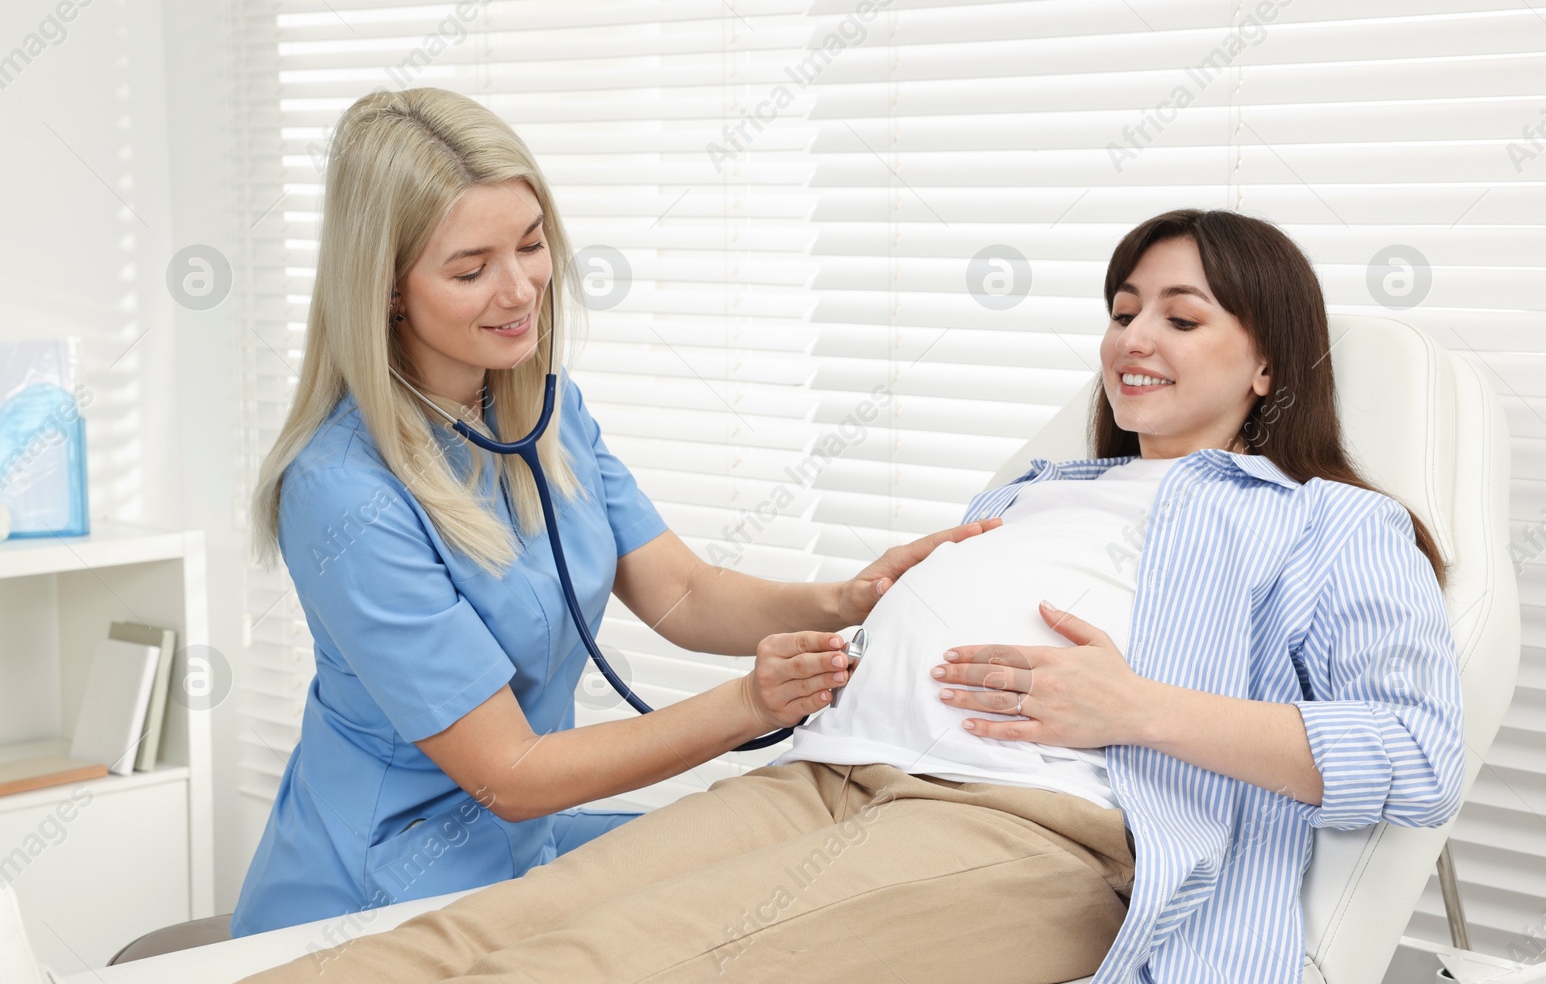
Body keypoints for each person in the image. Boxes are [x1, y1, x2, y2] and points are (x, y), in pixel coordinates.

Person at [3, 208, 1459, 984]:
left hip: (1033, 823)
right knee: (487, 932)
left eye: (1182, 315)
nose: (1134, 334)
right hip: (819, 776)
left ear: (1272, 362)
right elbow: (703, 598)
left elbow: (1412, 752)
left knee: (597, 981)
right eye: (1124, 304)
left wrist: (1134, 706)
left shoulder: (1333, 523)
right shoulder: (1043, 486)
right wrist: (856, 612)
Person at [227, 87, 999, 937]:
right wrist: (751, 702)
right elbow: (511, 771)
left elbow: (685, 594)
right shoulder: (342, 491)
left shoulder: (543, 415)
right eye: (471, 268)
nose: (520, 289)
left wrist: (847, 599)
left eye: (531, 245)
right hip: (378, 888)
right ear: (388, 291)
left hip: (524, 846)